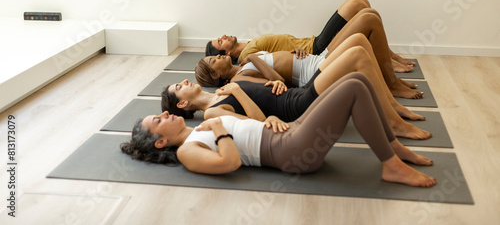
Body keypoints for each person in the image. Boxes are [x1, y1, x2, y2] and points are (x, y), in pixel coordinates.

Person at [121, 73, 437, 188]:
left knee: (358, 79)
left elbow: (254, 123)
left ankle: (392, 146)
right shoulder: (189, 151)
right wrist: (219, 129)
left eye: (162, 112)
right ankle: (391, 165)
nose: (164, 113)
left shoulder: (203, 125)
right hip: (292, 153)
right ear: (161, 141)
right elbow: (229, 163)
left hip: (287, 132)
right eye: (158, 120)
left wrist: (268, 121)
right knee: (353, 86)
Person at [162, 43, 431, 139]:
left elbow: (267, 86)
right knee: (358, 55)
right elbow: (257, 123)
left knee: (358, 42)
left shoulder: (223, 90)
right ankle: (395, 123)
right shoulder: (212, 113)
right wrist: (239, 92)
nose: (184, 82)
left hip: (293, 93)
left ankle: (393, 107)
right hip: (298, 105)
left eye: (181, 81)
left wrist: (277, 82)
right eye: (179, 87)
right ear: (183, 105)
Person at [206, 0, 415, 74]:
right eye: (219, 41)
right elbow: (275, 65)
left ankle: (388, 56)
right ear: (225, 52)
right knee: (358, 4)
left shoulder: (249, 45)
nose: (224, 36)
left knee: (362, 4)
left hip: (313, 41)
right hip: (316, 49)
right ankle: (387, 60)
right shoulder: (245, 57)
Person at [198, 33, 423, 100]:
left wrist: (295, 52)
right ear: (217, 73)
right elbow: (278, 82)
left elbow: (280, 63)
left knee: (367, 19)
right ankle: (391, 89)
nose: (217, 57)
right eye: (214, 59)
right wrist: (255, 59)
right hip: (313, 72)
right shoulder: (242, 77)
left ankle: (392, 82)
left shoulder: (245, 65)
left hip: (311, 59)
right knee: (359, 42)